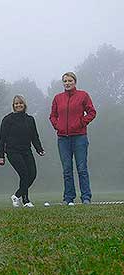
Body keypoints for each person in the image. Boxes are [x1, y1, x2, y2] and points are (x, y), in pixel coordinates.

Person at [49, 72, 96, 205]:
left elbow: (92, 112)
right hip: (63, 139)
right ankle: (68, 198)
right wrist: (57, 125)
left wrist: (81, 122)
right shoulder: (58, 98)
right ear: (63, 83)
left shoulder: (83, 95)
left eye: (70, 80)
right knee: (67, 170)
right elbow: (52, 115)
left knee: (81, 168)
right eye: (65, 81)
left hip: (79, 137)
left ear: (75, 82)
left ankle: (86, 197)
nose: (67, 83)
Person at [0, 95, 45, 207]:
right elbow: (2, 138)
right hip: (12, 152)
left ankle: (16, 196)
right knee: (24, 174)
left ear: (24, 105)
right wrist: (1, 155)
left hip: (26, 151)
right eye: (16, 104)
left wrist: (40, 149)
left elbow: (34, 137)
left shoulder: (30, 119)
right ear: (13, 106)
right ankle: (26, 201)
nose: (18, 105)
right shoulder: (8, 119)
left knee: (32, 174)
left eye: (20, 103)